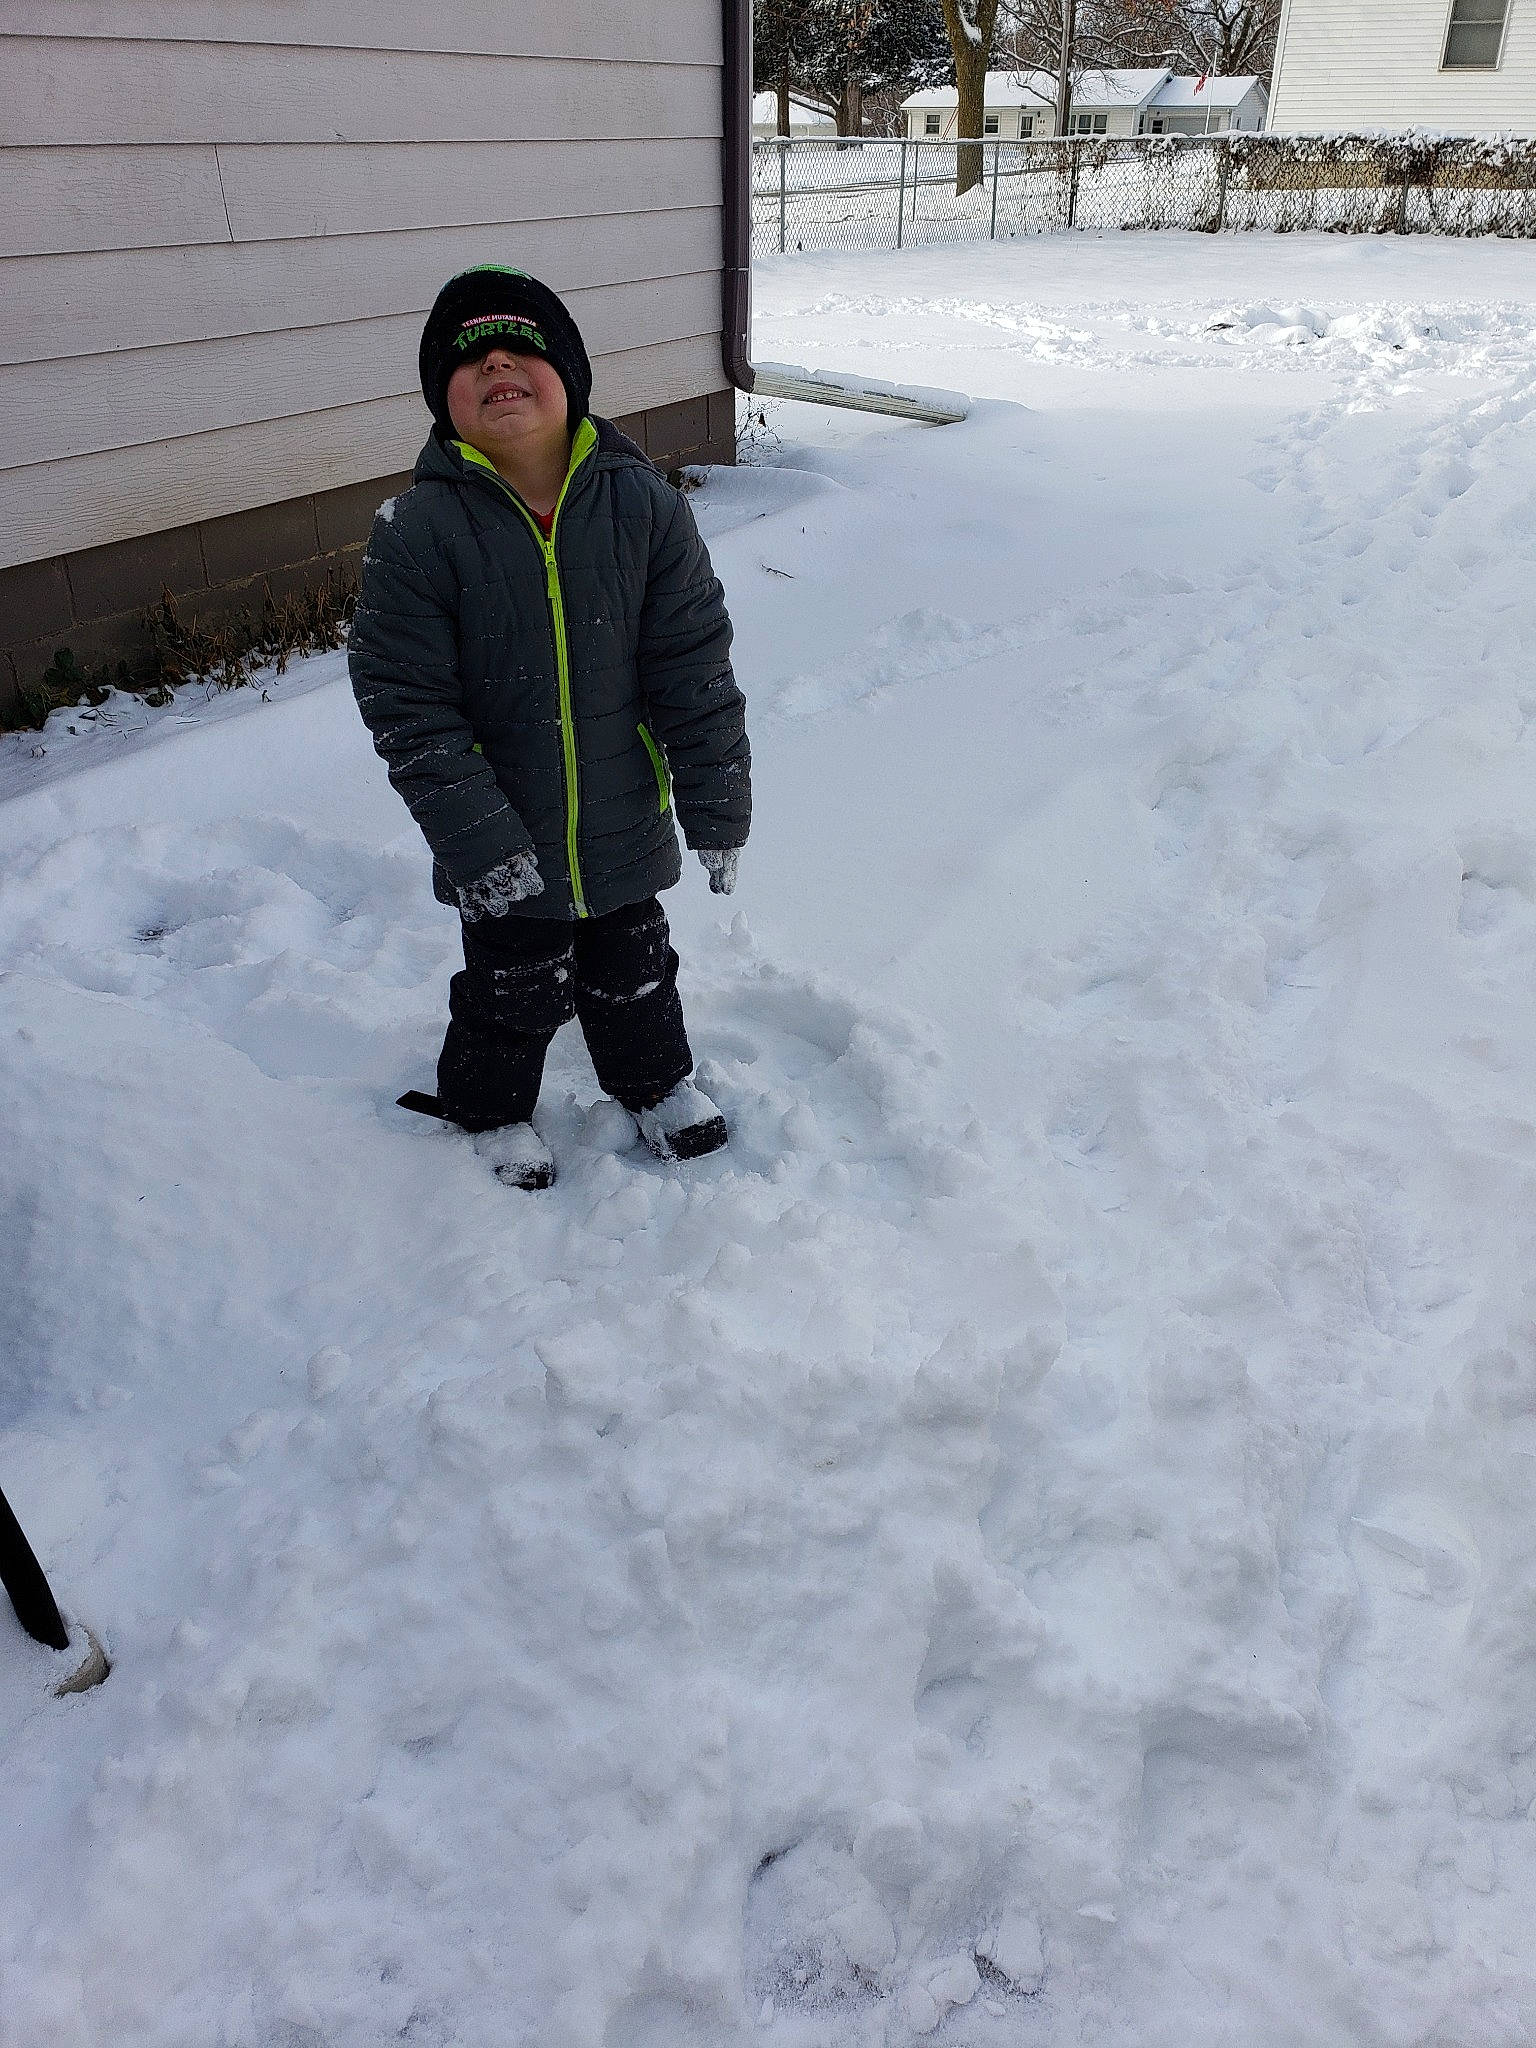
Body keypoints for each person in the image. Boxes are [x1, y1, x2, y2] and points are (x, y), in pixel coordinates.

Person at [349, 265, 750, 1188]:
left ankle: (654, 1085)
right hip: (504, 824)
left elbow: (693, 664)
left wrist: (718, 804)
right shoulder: (418, 530)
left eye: (522, 348)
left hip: (620, 814)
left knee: (635, 969)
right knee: (509, 988)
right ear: (442, 403)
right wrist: (478, 840)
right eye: (471, 359)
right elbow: (407, 705)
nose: (498, 363)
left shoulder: (641, 505)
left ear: (569, 375)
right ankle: (489, 1109)